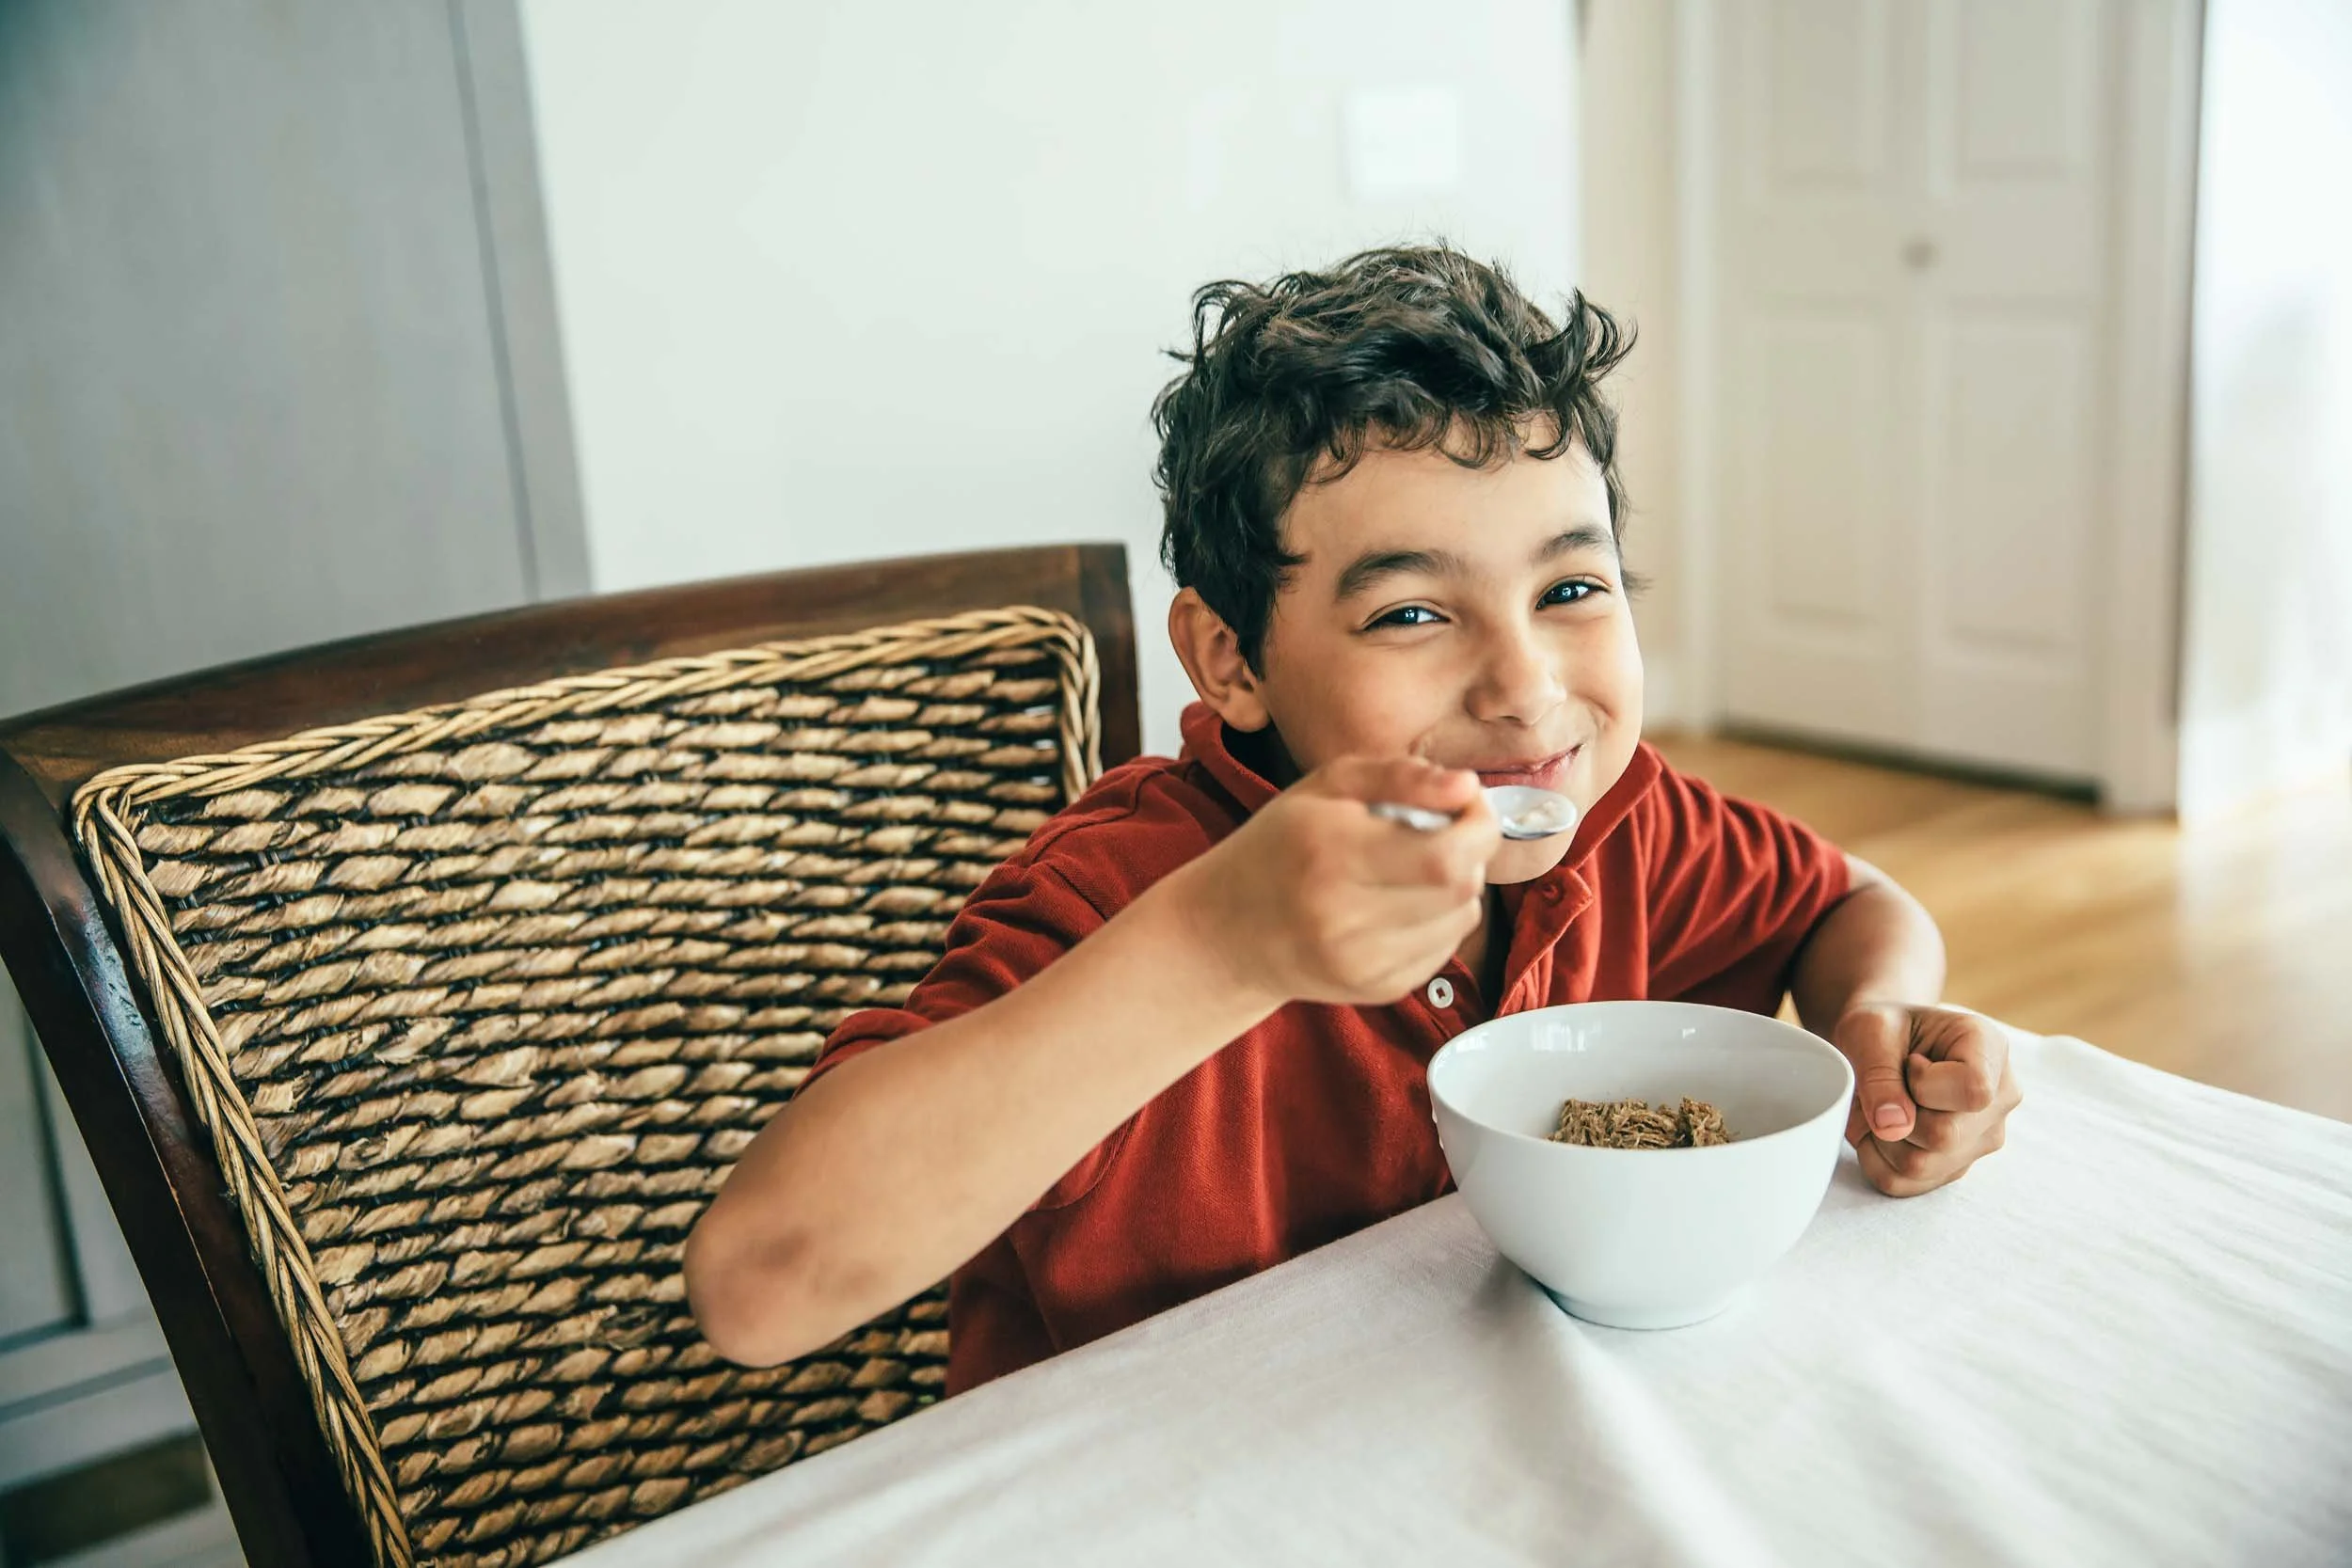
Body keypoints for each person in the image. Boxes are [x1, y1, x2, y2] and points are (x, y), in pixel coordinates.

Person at [685, 245, 2022, 1393]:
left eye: (1571, 591)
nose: (1526, 688)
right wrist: (1225, 946)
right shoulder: (1139, 886)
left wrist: (1878, 1019)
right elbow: (758, 1286)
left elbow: (1851, 902)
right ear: (1231, 663)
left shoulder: (1626, 823)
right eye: (1412, 614)